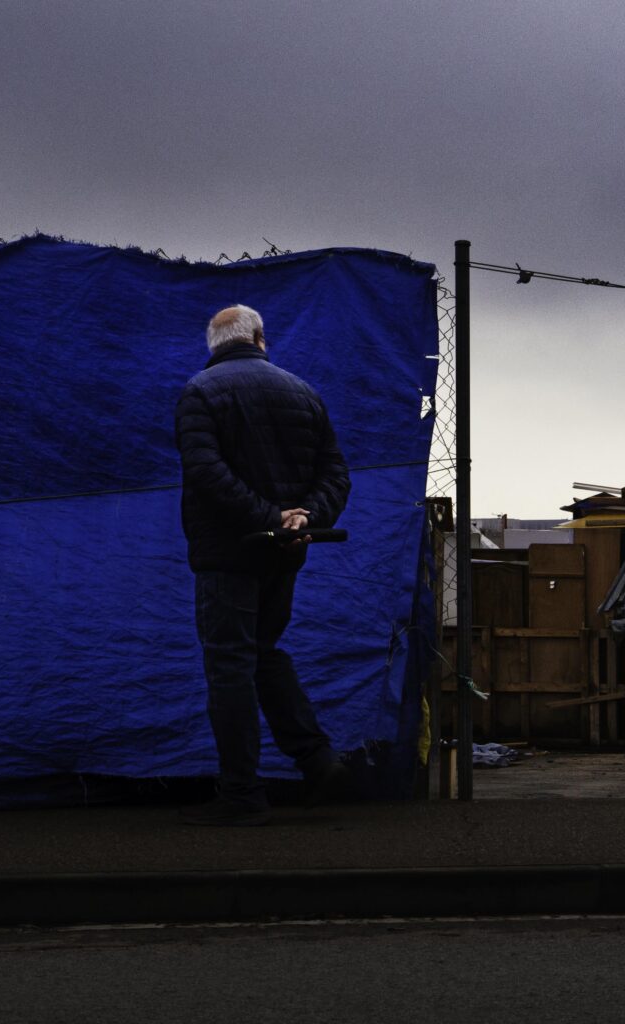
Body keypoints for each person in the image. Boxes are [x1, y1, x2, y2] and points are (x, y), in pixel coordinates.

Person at [174, 304, 352, 825]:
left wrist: (267, 517)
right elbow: (336, 472)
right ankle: (318, 762)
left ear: (215, 345)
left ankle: (242, 795)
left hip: (229, 551)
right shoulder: (302, 392)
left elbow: (206, 472)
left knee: (230, 663)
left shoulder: (200, 393)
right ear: (259, 338)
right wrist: (303, 519)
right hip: (285, 551)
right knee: (263, 653)